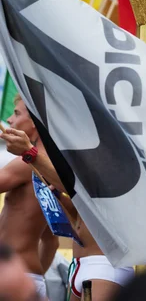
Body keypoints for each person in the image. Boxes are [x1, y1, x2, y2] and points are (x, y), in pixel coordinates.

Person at [0, 99, 134, 301]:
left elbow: (86, 191)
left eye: (17, 113)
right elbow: (83, 214)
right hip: (80, 264)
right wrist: (60, 201)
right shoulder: (78, 159)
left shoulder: (115, 154)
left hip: (103, 266)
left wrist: (30, 152)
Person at [0, 95, 59, 298]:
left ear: (35, 122)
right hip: (27, 277)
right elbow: (51, 242)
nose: (9, 119)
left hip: (12, 277)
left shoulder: (28, 163)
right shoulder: (50, 164)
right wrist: (33, 282)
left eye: (16, 113)